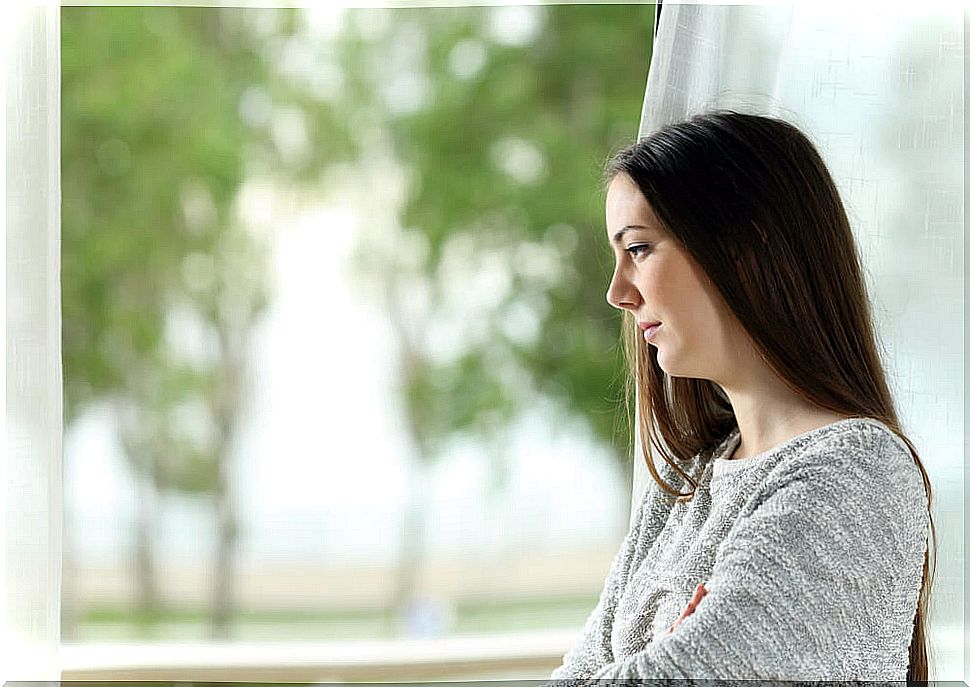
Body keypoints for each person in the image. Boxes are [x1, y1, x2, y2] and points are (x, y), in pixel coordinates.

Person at [548, 111, 935, 681]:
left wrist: (676, 657)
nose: (617, 293)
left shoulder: (859, 472)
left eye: (638, 249)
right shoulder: (688, 484)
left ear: (743, 248)